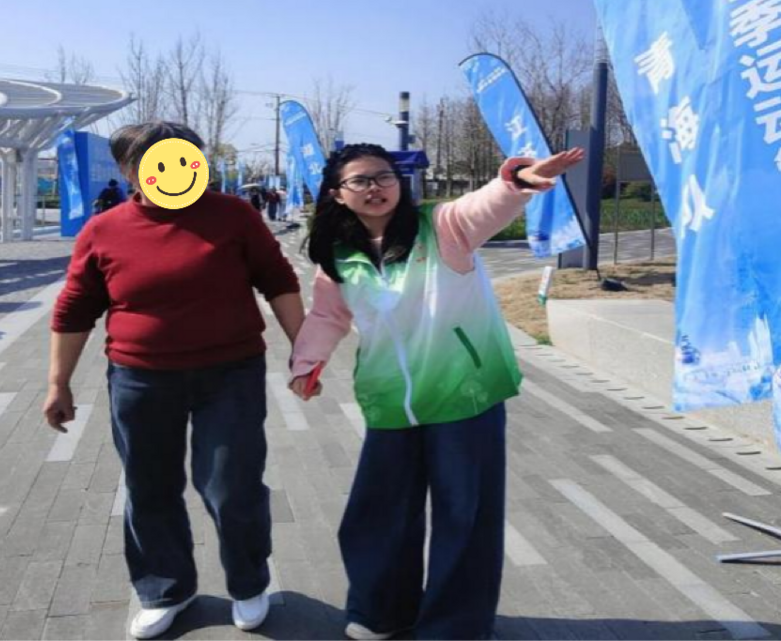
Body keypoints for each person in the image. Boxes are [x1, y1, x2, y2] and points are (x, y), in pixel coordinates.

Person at [288, 142, 584, 641]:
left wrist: (516, 183)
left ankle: (454, 628)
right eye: (360, 180)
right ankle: (382, 611)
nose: (375, 188)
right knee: (378, 511)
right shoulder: (338, 255)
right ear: (337, 194)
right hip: (389, 400)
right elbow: (327, 315)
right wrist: (307, 363)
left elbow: (483, 206)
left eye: (384, 176)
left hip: (464, 394)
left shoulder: (441, 226)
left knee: (464, 516)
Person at [43, 121, 305, 640]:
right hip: (140, 379)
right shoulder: (104, 230)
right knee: (149, 487)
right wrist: (58, 382)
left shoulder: (234, 215)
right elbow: (74, 308)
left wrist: (305, 352)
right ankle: (165, 588)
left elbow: (278, 279)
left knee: (231, 485)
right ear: (129, 170)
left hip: (230, 374)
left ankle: (249, 582)